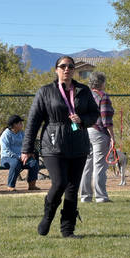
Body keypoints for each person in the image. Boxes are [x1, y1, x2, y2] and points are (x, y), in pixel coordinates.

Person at [21, 56, 99, 238]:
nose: (67, 69)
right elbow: (33, 121)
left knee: (72, 188)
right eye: (63, 66)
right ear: (56, 69)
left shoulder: (83, 90)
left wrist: (83, 120)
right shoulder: (45, 91)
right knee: (60, 183)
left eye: (70, 66)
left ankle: (68, 230)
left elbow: (94, 114)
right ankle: (48, 215)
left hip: (78, 145)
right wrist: (27, 148)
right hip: (53, 145)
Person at [79, 72, 115, 203]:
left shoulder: (84, 96)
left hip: (84, 132)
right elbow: (106, 118)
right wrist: (112, 137)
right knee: (99, 165)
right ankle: (101, 196)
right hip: (99, 132)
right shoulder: (103, 96)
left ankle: (85, 196)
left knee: (87, 166)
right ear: (101, 83)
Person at [0, 114, 40, 191]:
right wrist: (18, 157)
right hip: (7, 158)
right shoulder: (6, 134)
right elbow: (6, 150)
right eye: (20, 123)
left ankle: (32, 185)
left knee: (33, 163)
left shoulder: (21, 133)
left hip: (21, 157)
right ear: (14, 124)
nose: (22, 124)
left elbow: (27, 144)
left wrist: (29, 152)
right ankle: (10, 186)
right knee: (15, 163)